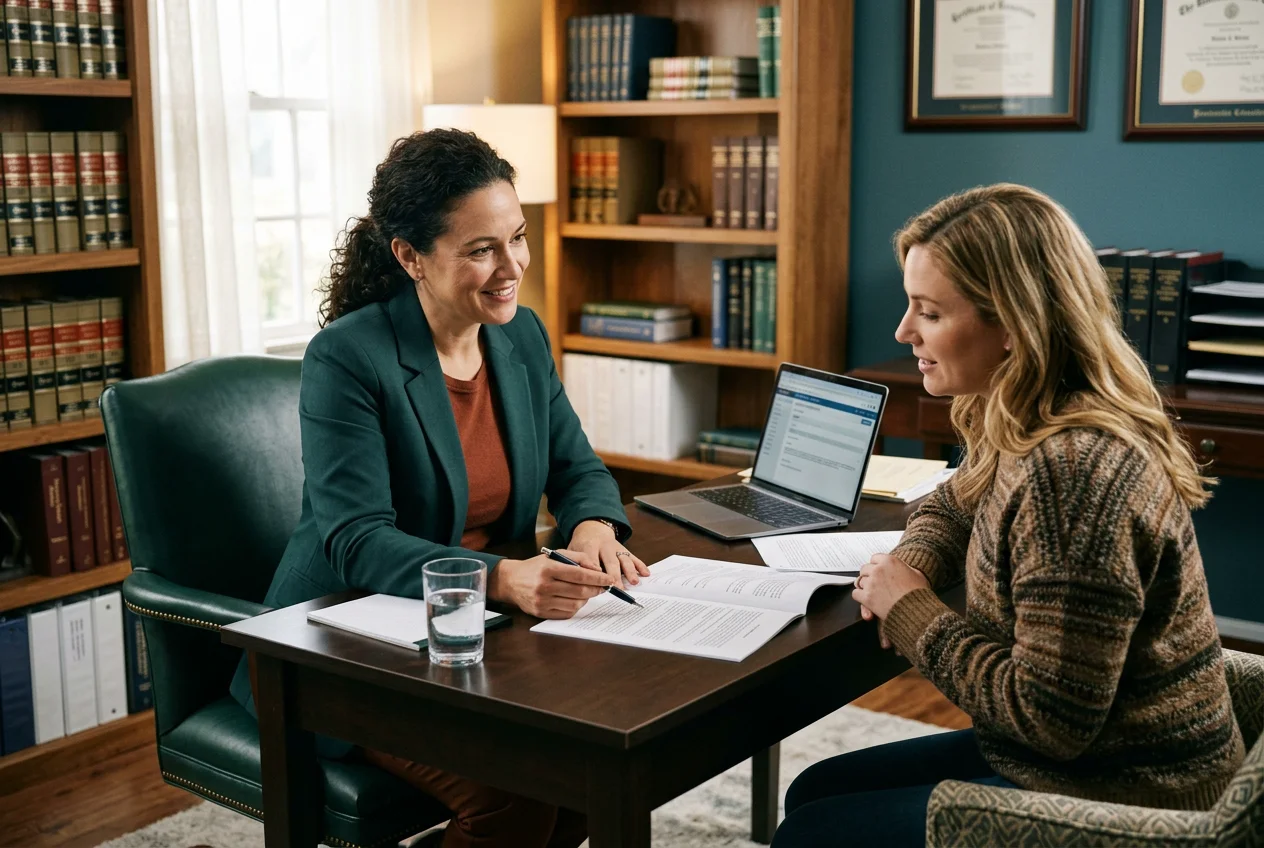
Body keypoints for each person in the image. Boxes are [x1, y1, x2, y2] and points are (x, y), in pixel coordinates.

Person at [773, 184, 1245, 847]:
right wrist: (912, 561)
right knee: (812, 792)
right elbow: (953, 502)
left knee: (813, 833)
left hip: (1127, 795)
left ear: (1013, 325)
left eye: (929, 313)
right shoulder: (1033, 411)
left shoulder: (1071, 474)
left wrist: (910, 609)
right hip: (1073, 762)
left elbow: (1049, 718)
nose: (903, 331)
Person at [228, 129, 651, 848]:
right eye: (481, 249)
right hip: (346, 644)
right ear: (409, 257)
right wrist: (505, 579)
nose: (512, 265)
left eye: (516, 237)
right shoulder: (349, 357)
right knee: (515, 799)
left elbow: (578, 468)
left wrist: (592, 528)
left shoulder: (520, 338)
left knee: (593, 775)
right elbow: (356, 539)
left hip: (485, 643)